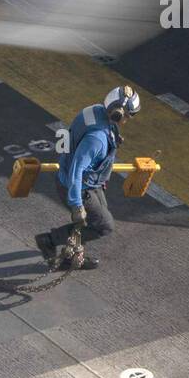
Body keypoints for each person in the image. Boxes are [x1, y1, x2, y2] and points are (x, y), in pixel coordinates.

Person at [35, 85, 141, 271]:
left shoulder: (93, 110)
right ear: (118, 114)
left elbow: (74, 138)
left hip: (90, 183)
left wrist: (113, 136)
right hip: (80, 187)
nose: (129, 119)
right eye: (129, 115)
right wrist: (76, 204)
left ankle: (73, 249)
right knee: (104, 226)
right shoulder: (97, 139)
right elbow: (77, 169)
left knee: (98, 216)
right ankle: (49, 241)